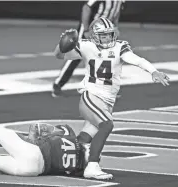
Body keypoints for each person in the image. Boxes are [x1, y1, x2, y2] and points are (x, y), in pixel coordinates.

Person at [54, 17, 170, 179]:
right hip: (91, 95)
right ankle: (92, 166)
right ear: (95, 36)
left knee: (87, 135)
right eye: (104, 35)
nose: (108, 38)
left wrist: (153, 71)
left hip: (107, 100)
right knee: (106, 125)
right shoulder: (87, 46)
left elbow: (137, 60)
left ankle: (70, 163)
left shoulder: (120, 47)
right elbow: (60, 56)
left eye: (110, 34)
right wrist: (62, 44)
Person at [0, 99, 90, 177]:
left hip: (34, 152)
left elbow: (37, 128)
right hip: (33, 171)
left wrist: (31, 141)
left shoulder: (68, 133)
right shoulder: (79, 169)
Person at [52, 0, 125, 97]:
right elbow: (86, 8)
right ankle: (58, 84)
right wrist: (86, 29)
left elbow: (116, 11)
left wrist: (115, 26)